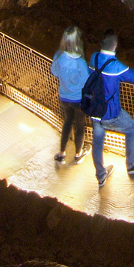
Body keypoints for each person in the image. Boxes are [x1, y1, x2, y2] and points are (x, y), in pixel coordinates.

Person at [88, 29, 134, 186]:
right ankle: (131, 165)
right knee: (132, 128)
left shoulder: (94, 57)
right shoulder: (116, 67)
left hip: (94, 109)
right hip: (110, 114)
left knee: (97, 141)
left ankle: (101, 175)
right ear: (115, 45)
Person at [49, 25, 90, 164]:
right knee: (79, 126)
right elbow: (86, 82)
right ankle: (78, 154)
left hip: (64, 96)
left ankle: (61, 153)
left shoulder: (58, 56)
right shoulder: (80, 63)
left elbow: (54, 72)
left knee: (67, 122)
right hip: (78, 99)